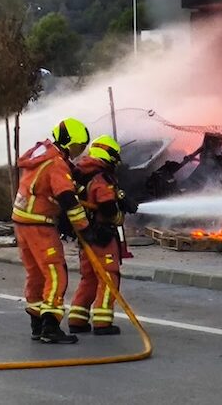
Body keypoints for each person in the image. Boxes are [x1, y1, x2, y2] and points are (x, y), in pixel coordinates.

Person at [12, 118, 90, 344]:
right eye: (78, 146)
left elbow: (49, 183)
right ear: (68, 143)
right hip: (39, 224)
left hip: (22, 221)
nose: (79, 151)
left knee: (35, 274)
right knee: (56, 274)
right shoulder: (56, 163)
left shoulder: (41, 152)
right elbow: (67, 198)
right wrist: (84, 228)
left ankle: (37, 325)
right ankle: (51, 327)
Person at [68, 135, 138, 336]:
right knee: (109, 276)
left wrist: (121, 197)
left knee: (88, 277)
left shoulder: (82, 173)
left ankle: (77, 319)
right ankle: (102, 322)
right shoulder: (101, 178)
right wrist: (119, 216)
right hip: (102, 235)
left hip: (85, 235)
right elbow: (107, 208)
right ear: (109, 156)